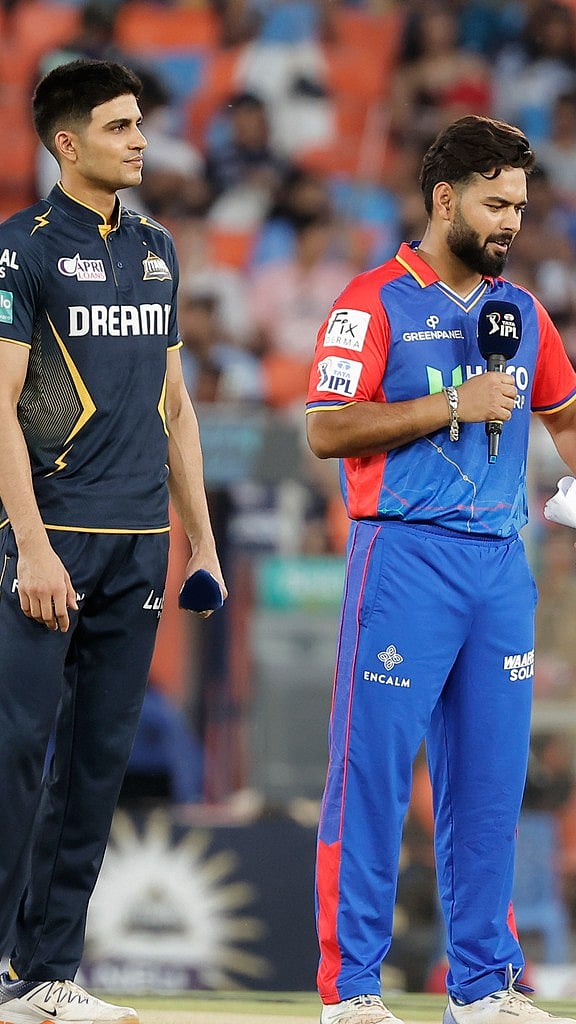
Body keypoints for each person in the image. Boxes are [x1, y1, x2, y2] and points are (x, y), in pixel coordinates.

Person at [306, 114, 576, 1024]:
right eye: (497, 205)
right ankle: (351, 990)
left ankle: (486, 985)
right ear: (446, 199)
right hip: (404, 557)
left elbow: (565, 416)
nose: (513, 222)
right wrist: (451, 402)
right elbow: (326, 428)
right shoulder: (371, 302)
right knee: (373, 778)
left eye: (521, 207)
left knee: (491, 788)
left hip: (501, 564)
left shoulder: (523, 313)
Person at [0, 58, 226, 1023]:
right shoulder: (22, 249)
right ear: (68, 141)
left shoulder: (158, 249)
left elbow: (177, 408)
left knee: (95, 768)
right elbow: (0, 404)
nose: (140, 141)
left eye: (140, 124)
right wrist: (30, 544)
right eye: (121, 126)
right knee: (15, 755)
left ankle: (46, 973)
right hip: (50, 544)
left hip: (139, 546)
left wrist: (201, 543)